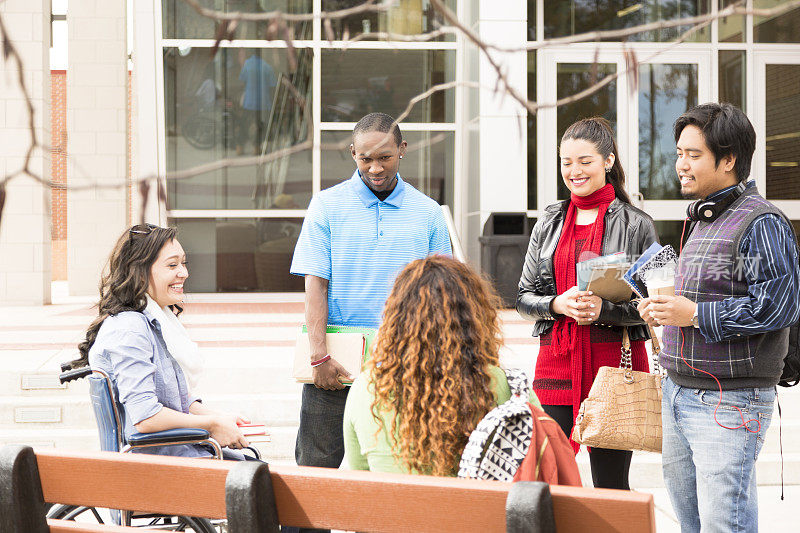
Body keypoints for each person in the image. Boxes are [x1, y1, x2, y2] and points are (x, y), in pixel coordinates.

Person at [638, 103, 800, 532]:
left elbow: (777, 306)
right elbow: (716, 295)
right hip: (680, 392)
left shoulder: (760, 222)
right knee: (694, 525)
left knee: (721, 526)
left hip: (730, 402)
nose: (680, 165)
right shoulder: (705, 218)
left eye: (693, 154)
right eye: (678, 153)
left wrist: (692, 314)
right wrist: (665, 309)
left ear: (728, 160)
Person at [288, 112, 451, 529]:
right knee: (313, 472)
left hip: (405, 364)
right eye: (364, 159)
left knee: (392, 474)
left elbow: (441, 292)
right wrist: (318, 356)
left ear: (402, 150)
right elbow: (315, 284)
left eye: (384, 157)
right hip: (337, 366)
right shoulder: (326, 205)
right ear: (353, 154)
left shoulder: (428, 213)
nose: (375, 168)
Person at [516, 117, 658, 490]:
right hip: (556, 361)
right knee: (546, 480)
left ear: (608, 161)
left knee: (611, 484)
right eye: (567, 162)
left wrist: (604, 310)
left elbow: (650, 306)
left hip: (612, 362)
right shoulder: (548, 221)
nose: (574, 171)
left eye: (585, 161)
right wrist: (558, 304)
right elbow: (523, 296)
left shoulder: (636, 224)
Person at [343, 256, 541, 475]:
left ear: (396, 319)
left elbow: (360, 472)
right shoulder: (508, 388)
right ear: (475, 317)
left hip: (393, 509)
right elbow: (541, 460)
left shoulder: (367, 388)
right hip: (479, 508)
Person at [76, 223, 251, 459]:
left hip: (180, 451)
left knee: (254, 468)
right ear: (139, 271)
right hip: (162, 462)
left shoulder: (153, 322)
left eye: (183, 263)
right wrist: (211, 425)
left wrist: (218, 417)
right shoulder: (130, 329)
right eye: (172, 265)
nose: (184, 273)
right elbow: (146, 416)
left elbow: (173, 399)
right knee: (257, 478)